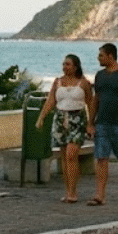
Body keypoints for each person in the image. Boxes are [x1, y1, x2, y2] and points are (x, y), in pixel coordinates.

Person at [35, 54, 95, 203]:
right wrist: (41, 118)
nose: (64, 67)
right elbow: (51, 101)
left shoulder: (84, 83)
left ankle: (73, 192)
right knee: (64, 157)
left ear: (75, 66)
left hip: (77, 120)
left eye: (68, 64)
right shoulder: (57, 82)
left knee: (71, 155)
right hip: (60, 119)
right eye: (63, 64)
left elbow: (90, 103)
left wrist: (90, 123)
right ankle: (68, 191)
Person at [88, 42, 118, 206]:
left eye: (101, 55)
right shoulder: (99, 76)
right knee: (101, 158)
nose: (98, 58)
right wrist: (90, 122)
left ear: (110, 56)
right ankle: (99, 194)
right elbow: (96, 99)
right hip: (102, 123)